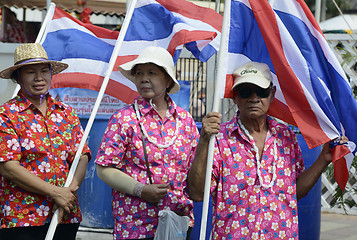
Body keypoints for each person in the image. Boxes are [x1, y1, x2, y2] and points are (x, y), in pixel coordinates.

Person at [187, 61, 348, 239]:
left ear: (271, 95)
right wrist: (203, 141)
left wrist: (323, 160)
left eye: (261, 91)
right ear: (235, 97)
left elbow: (294, 193)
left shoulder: (285, 137)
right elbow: (197, 193)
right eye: (246, 91)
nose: (254, 98)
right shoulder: (219, 139)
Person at [95, 46, 199, 240]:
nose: (144, 79)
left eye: (152, 73)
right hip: (135, 225)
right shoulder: (124, 118)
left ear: (168, 80)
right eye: (139, 73)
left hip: (177, 222)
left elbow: (194, 171)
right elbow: (104, 169)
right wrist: (140, 190)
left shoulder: (185, 121)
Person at [0, 43, 91, 240]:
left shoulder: (66, 112)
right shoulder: (6, 115)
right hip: (23, 218)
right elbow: (8, 167)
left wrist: (69, 192)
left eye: (44, 70)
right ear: (18, 77)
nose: (39, 77)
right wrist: (55, 192)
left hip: (64, 214)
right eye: (30, 72)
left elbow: (82, 156)